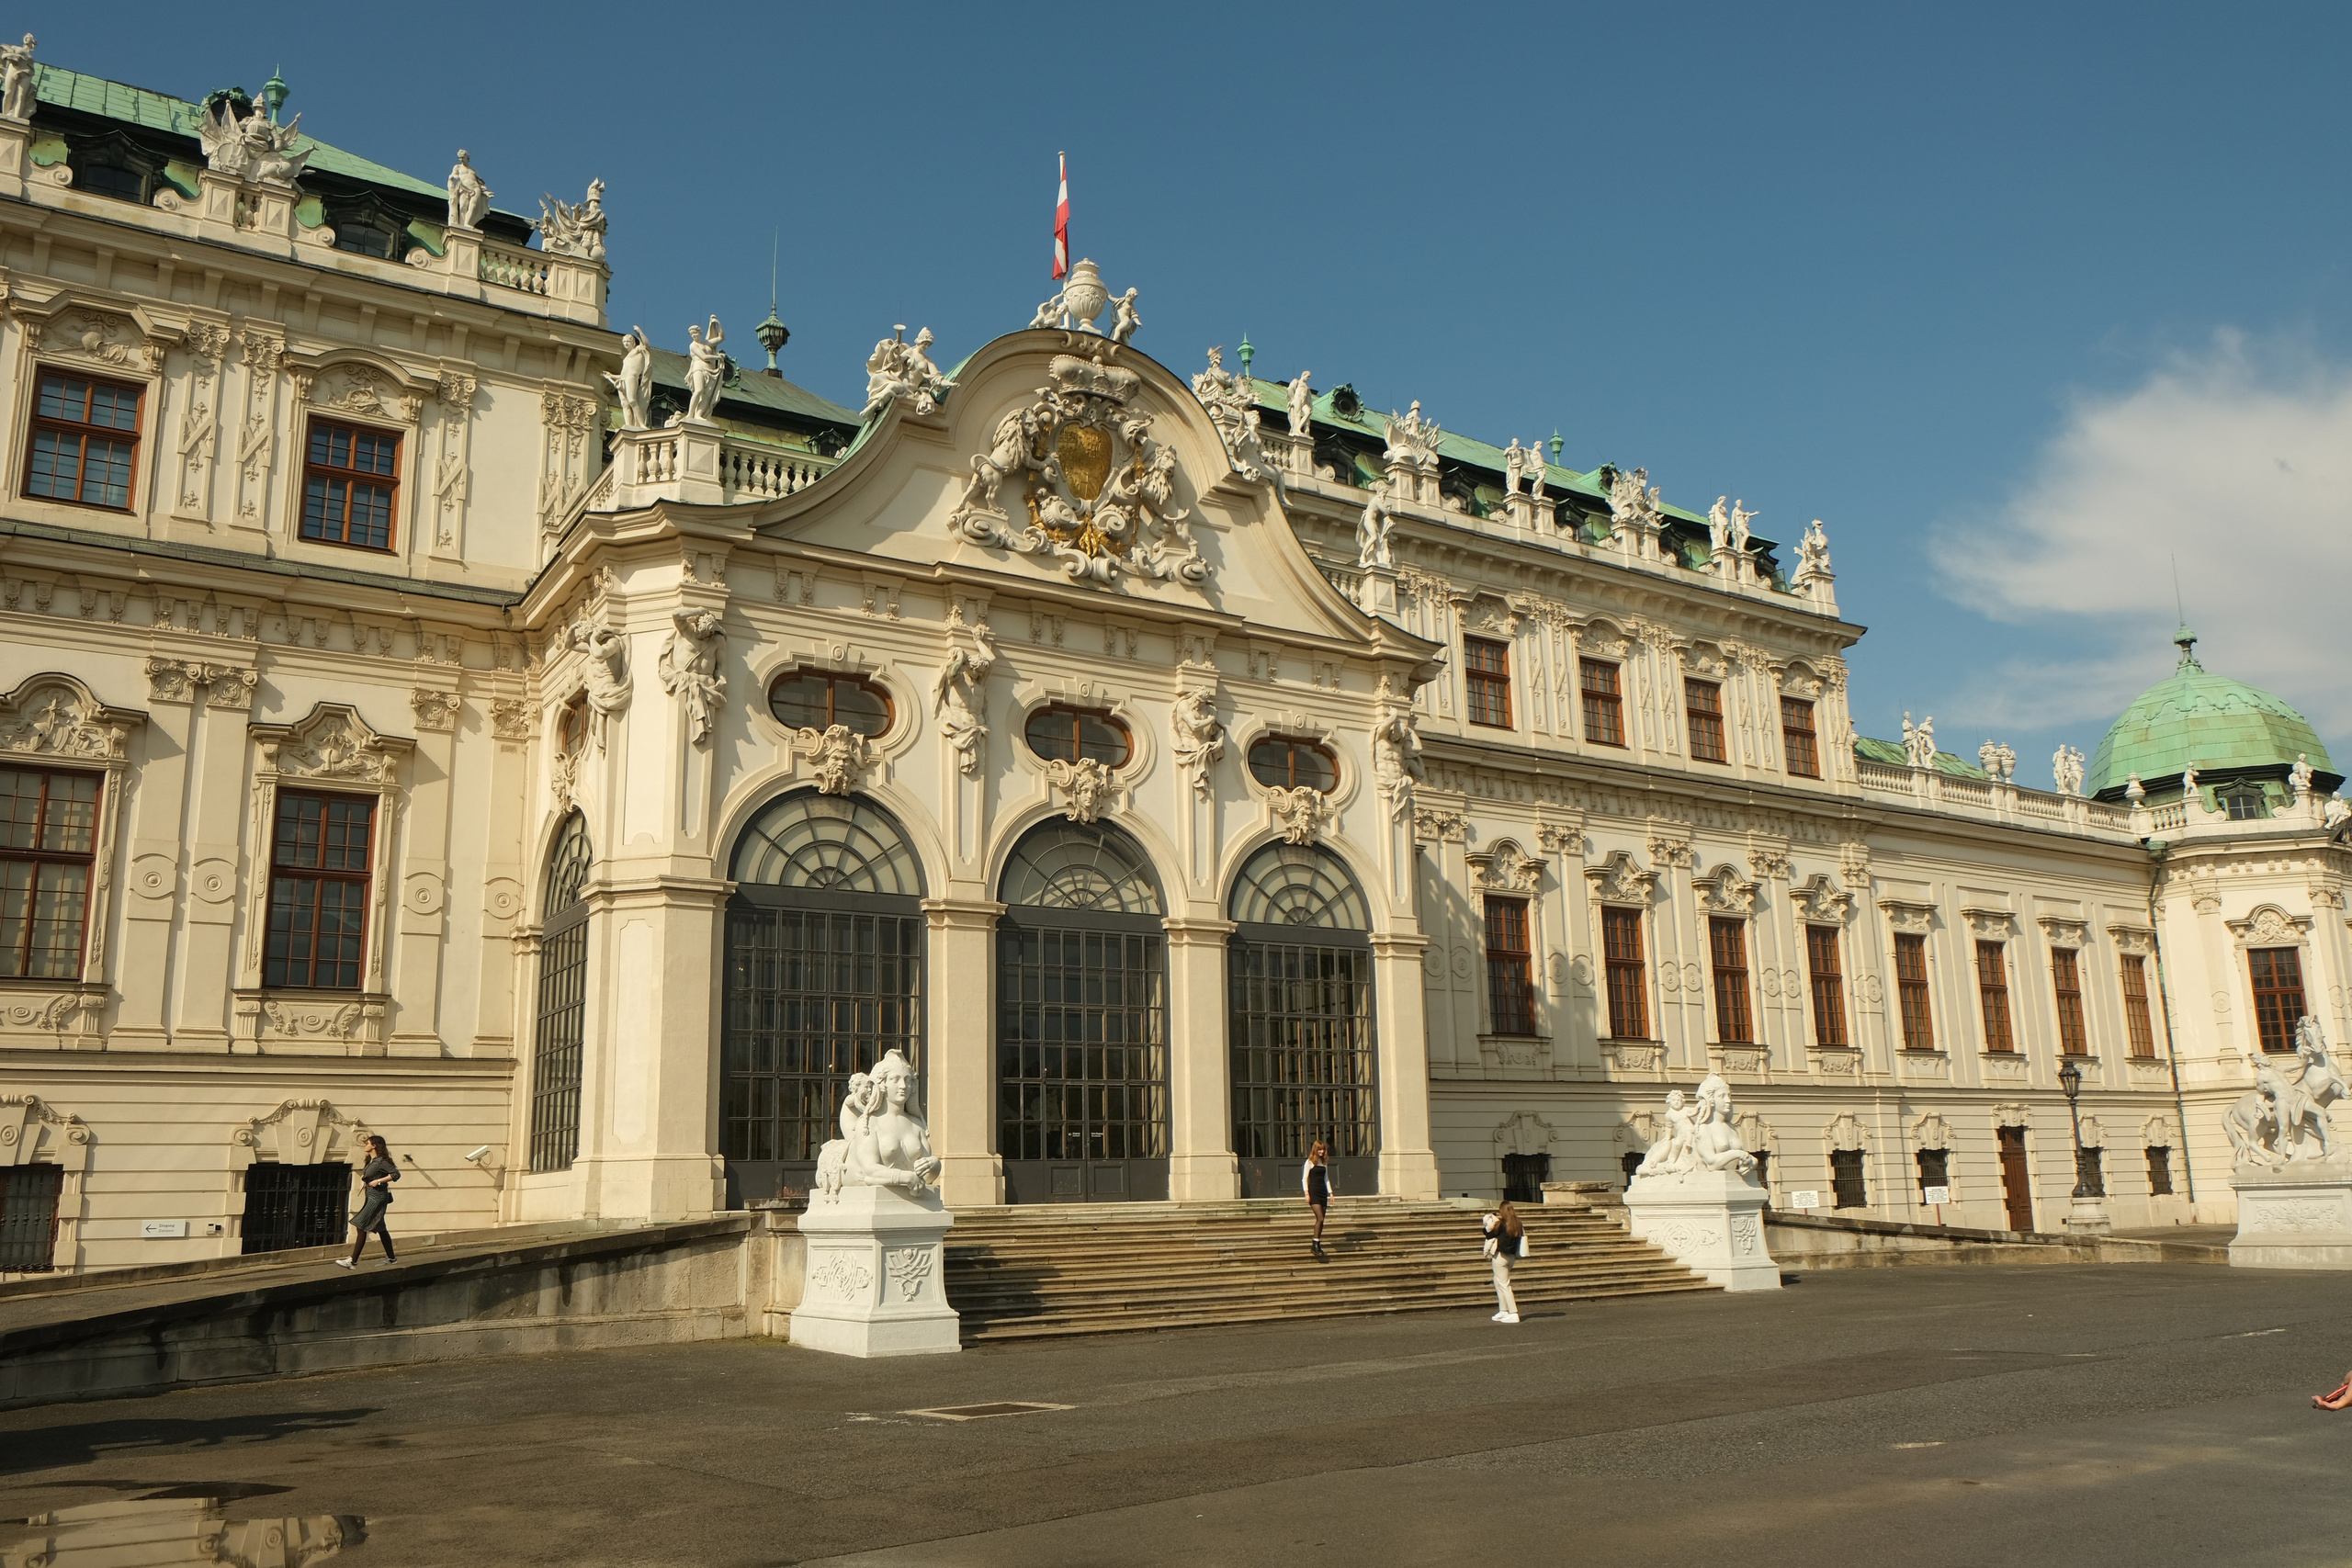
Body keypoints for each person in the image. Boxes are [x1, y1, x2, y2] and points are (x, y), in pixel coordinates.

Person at [336, 1134, 399, 1269]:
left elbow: (395, 1174)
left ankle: (352, 1261)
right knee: (381, 1228)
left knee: (361, 1226)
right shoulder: (373, 1161)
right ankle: (391, 1258)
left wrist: (379, 1181)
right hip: (371, 1196)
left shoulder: (382, 1161)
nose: (366, 1145)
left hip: (377, 1198)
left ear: (374, 1145)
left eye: (367, 1143)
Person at [1483, 1201, 1527, 1323]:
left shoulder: (1502, 1224)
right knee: (1498, 1282)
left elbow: (1489, 1235)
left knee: (1504, 1285)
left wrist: (1488, 1222)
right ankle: (1503, 1310)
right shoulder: (1517, 1223)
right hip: (1511, 1256)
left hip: (1500, 1256)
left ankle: (1513, 1312)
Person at [1303, 1140, 1334, 1256]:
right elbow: (1304, 1178)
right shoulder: (1310, 1162)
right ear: (1315, 1150)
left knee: (1322, 1220)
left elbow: (1326, 1178)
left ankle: (1317, 1243)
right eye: (1319, 1149)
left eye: (1323, 1149)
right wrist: (1306, 1193)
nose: (1321, 1152)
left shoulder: (1324, 1162)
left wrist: (1330, 1192)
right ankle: (1315, 1244)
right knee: (1319, 1218)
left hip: (1322, 1192)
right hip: (1313, 1191)